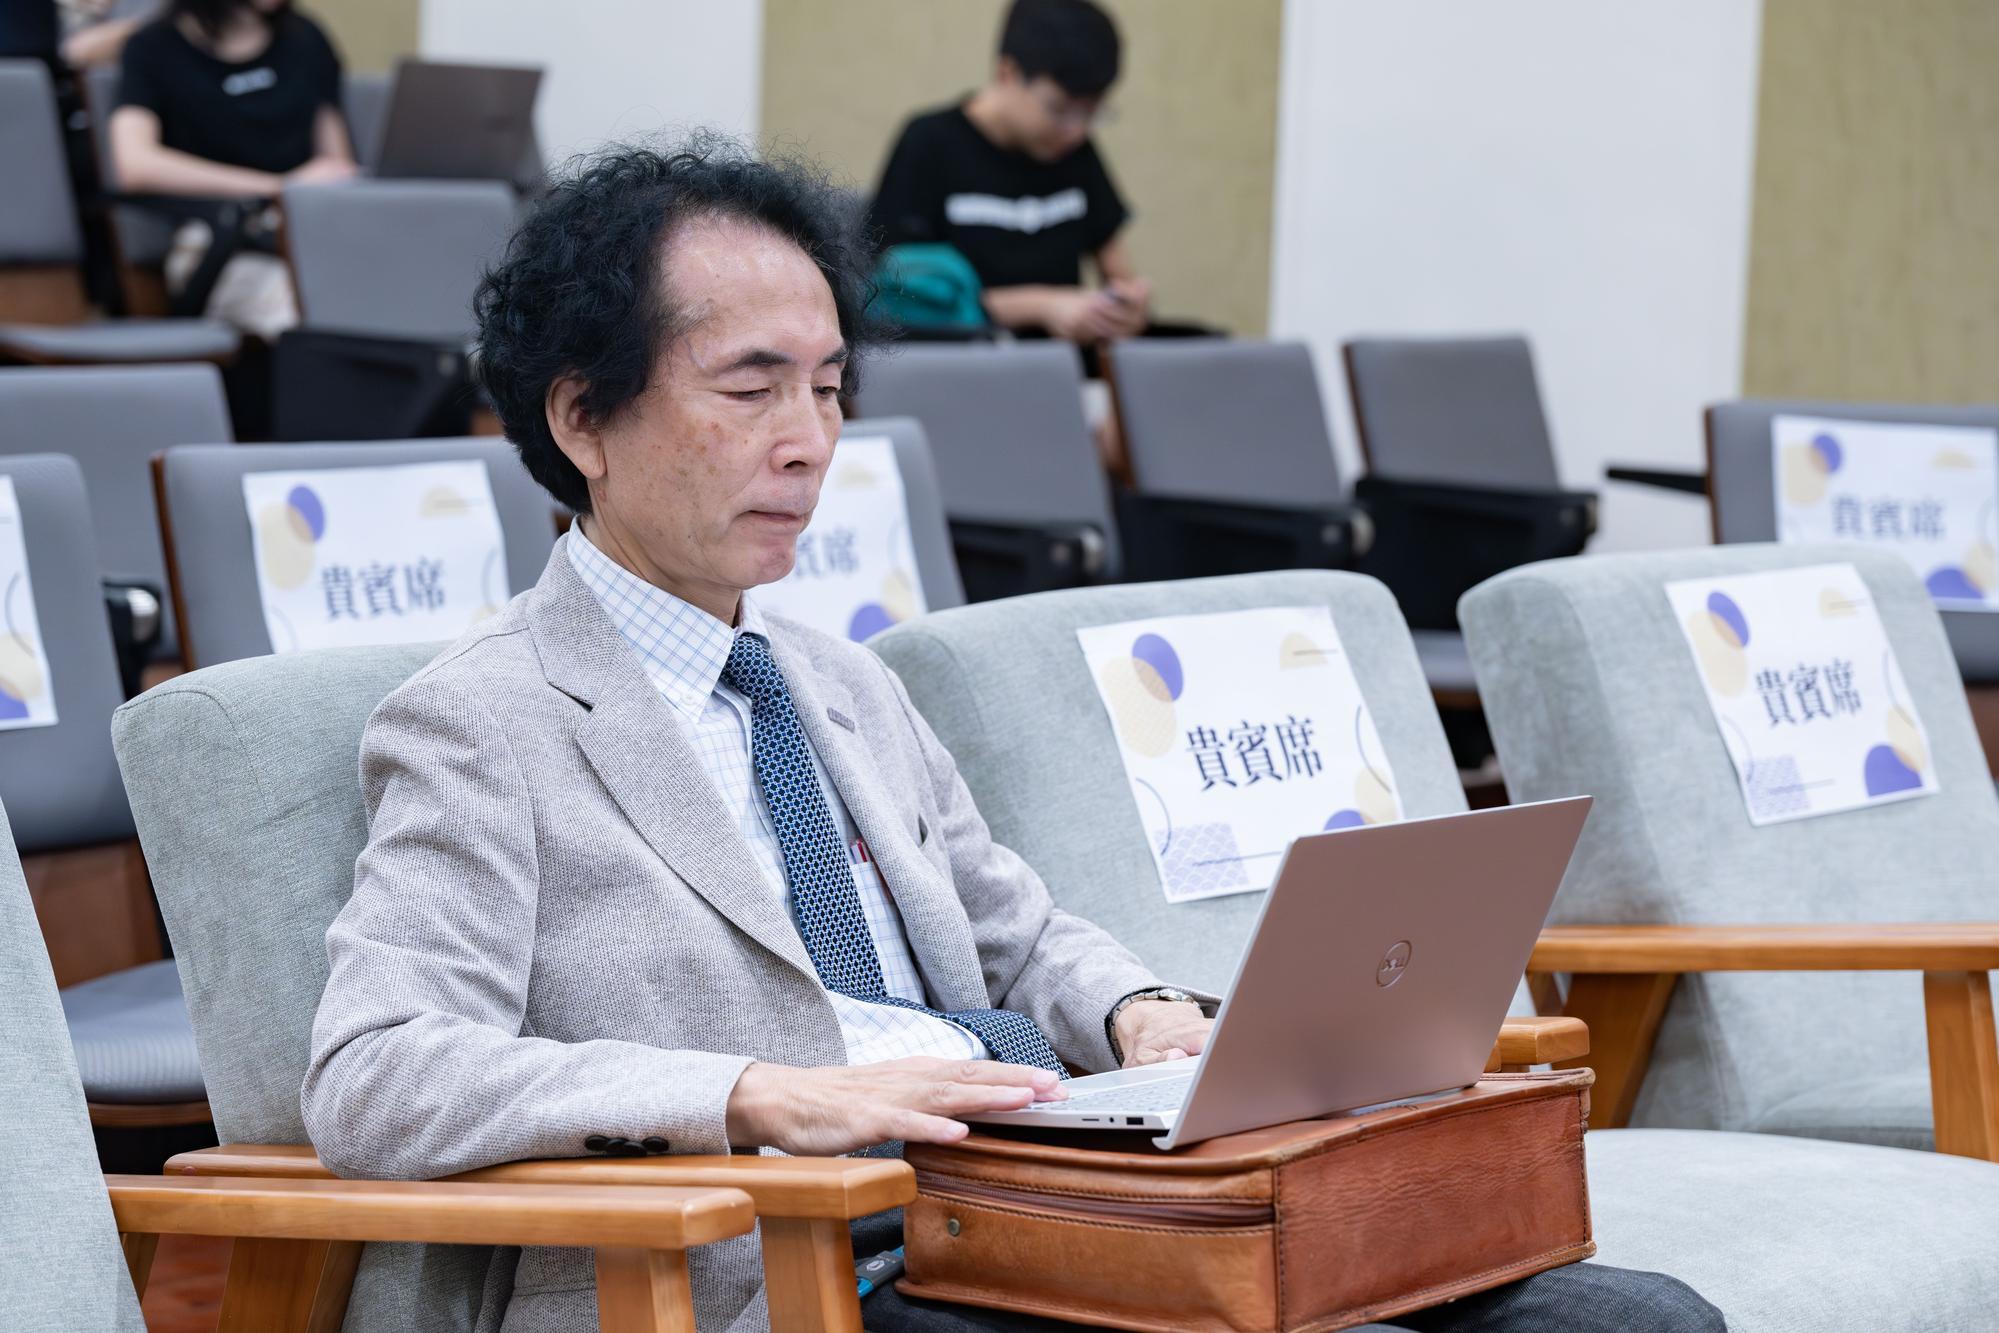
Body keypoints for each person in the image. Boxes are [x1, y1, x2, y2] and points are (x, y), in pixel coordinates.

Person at [300, 136, 1723, 1333]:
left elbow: (1016, 929)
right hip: (814, 1265)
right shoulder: (483, 718)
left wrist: (1134, 1015)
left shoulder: (837, 680)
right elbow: (374, 1072)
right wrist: (755, 1095)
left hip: (1041, 1200)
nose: (808, 439)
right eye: (750, 388)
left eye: (829, 384)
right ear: (582, 419)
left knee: (1633, 1319)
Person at [867, 0, 1150, 346]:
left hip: (1063, 373)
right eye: (1058, 109)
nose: (1075, 130)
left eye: (1090, 113)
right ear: (1007, 73)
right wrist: (1044, 306)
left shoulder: (1077, 152)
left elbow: (1118, 272)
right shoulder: (930, 143)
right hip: (961, 371)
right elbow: (898, 294)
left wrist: (1126, 310)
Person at [108, 0, 354, 336]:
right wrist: (278, 185)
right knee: (318, 308)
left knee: (384, 294)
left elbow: (335, 162)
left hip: (311, 233)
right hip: (215, 243)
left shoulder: (305, 37)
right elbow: (134, 163)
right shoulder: (154, 46)